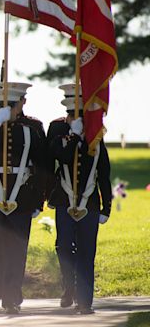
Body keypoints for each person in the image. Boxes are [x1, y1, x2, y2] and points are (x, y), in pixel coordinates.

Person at [0, 82, 47, 314]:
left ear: (20, 105)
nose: (8, 109)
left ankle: (12, 296)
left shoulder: (32, 129)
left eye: (11, 106)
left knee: (17, 248)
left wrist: (38, 200)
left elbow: (43, 165)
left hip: (22, 195)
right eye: (2, 106)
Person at [46, 84, 112, 314]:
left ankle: (85, 301)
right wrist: (73, 134)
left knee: (86, 252)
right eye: (72, 112)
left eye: (80, 113)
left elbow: (103, 171)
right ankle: (69, 286)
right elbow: (61, 157)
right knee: (64, 248)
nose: (76, 117)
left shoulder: (95, 133)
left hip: (90, 202)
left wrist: (107, 206)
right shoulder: (56, 129)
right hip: (64, 200)